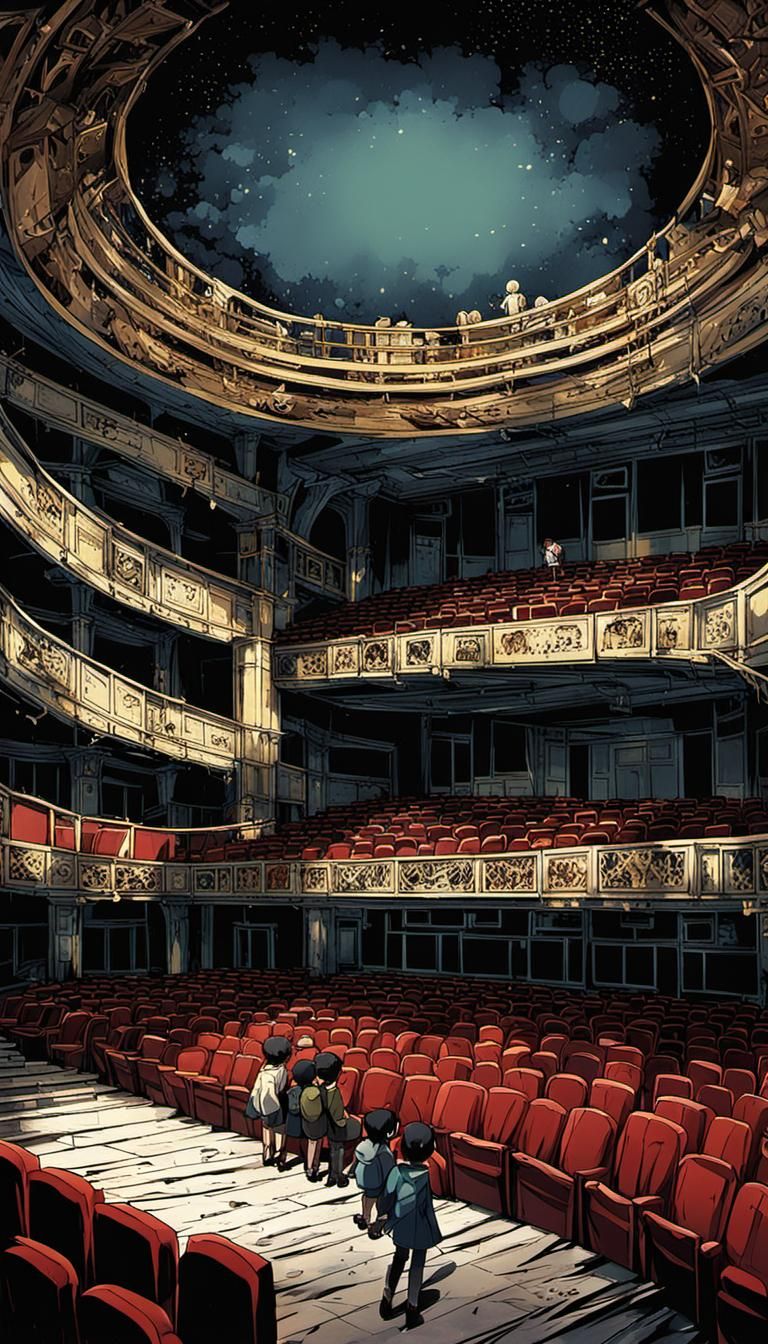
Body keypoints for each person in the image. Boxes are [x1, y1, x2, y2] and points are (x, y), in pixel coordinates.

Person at [372, 1122, 443, 1330]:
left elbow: (386, 1198)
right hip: (421, 1225)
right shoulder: (427, 1175)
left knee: (399, 1258)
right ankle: (412, 1308)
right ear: (430, 1150)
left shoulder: (397, 1172)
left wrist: (381, 1218)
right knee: (417, 1264)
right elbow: (430, 1201)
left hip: (401, 1223)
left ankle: (387, 1298)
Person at [300, 1050, 362, 1185]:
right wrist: (345, 1119)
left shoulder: (313, 1088)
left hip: (320, 1124)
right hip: (334, 1127)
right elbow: (337, 1115)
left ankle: (315, 1171)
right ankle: (336, 1176)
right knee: (337, 1148)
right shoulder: (333, 1092)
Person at [245, 1035, 292, 1170]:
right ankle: (279, 1157)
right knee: (280, 1130)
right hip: (277, 1104)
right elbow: (281, 1088)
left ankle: (267, 1154)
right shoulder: (281, 1070)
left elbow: (257, 1088)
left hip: (262, 1103)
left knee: (266, 1128)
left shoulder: (263, 1070)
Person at [349, 1108, 398, 1231]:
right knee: (381, 1201)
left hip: (364, 1180)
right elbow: (389, 1171)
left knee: (367, 1197)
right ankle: (380, 1218)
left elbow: (355, 1161)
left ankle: (365, 1216)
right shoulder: (384, 1152)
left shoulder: (363, 1145)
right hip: (378, 1181)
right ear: (388, 1133)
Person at [285, 1057, 317, 1173]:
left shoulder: (292, 1091)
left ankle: (282, 1159)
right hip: (307, 1124)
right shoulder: (313, 1092)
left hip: (292, 1123)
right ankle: (309, 1167)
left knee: (288, 1140)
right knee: (311, 1141)